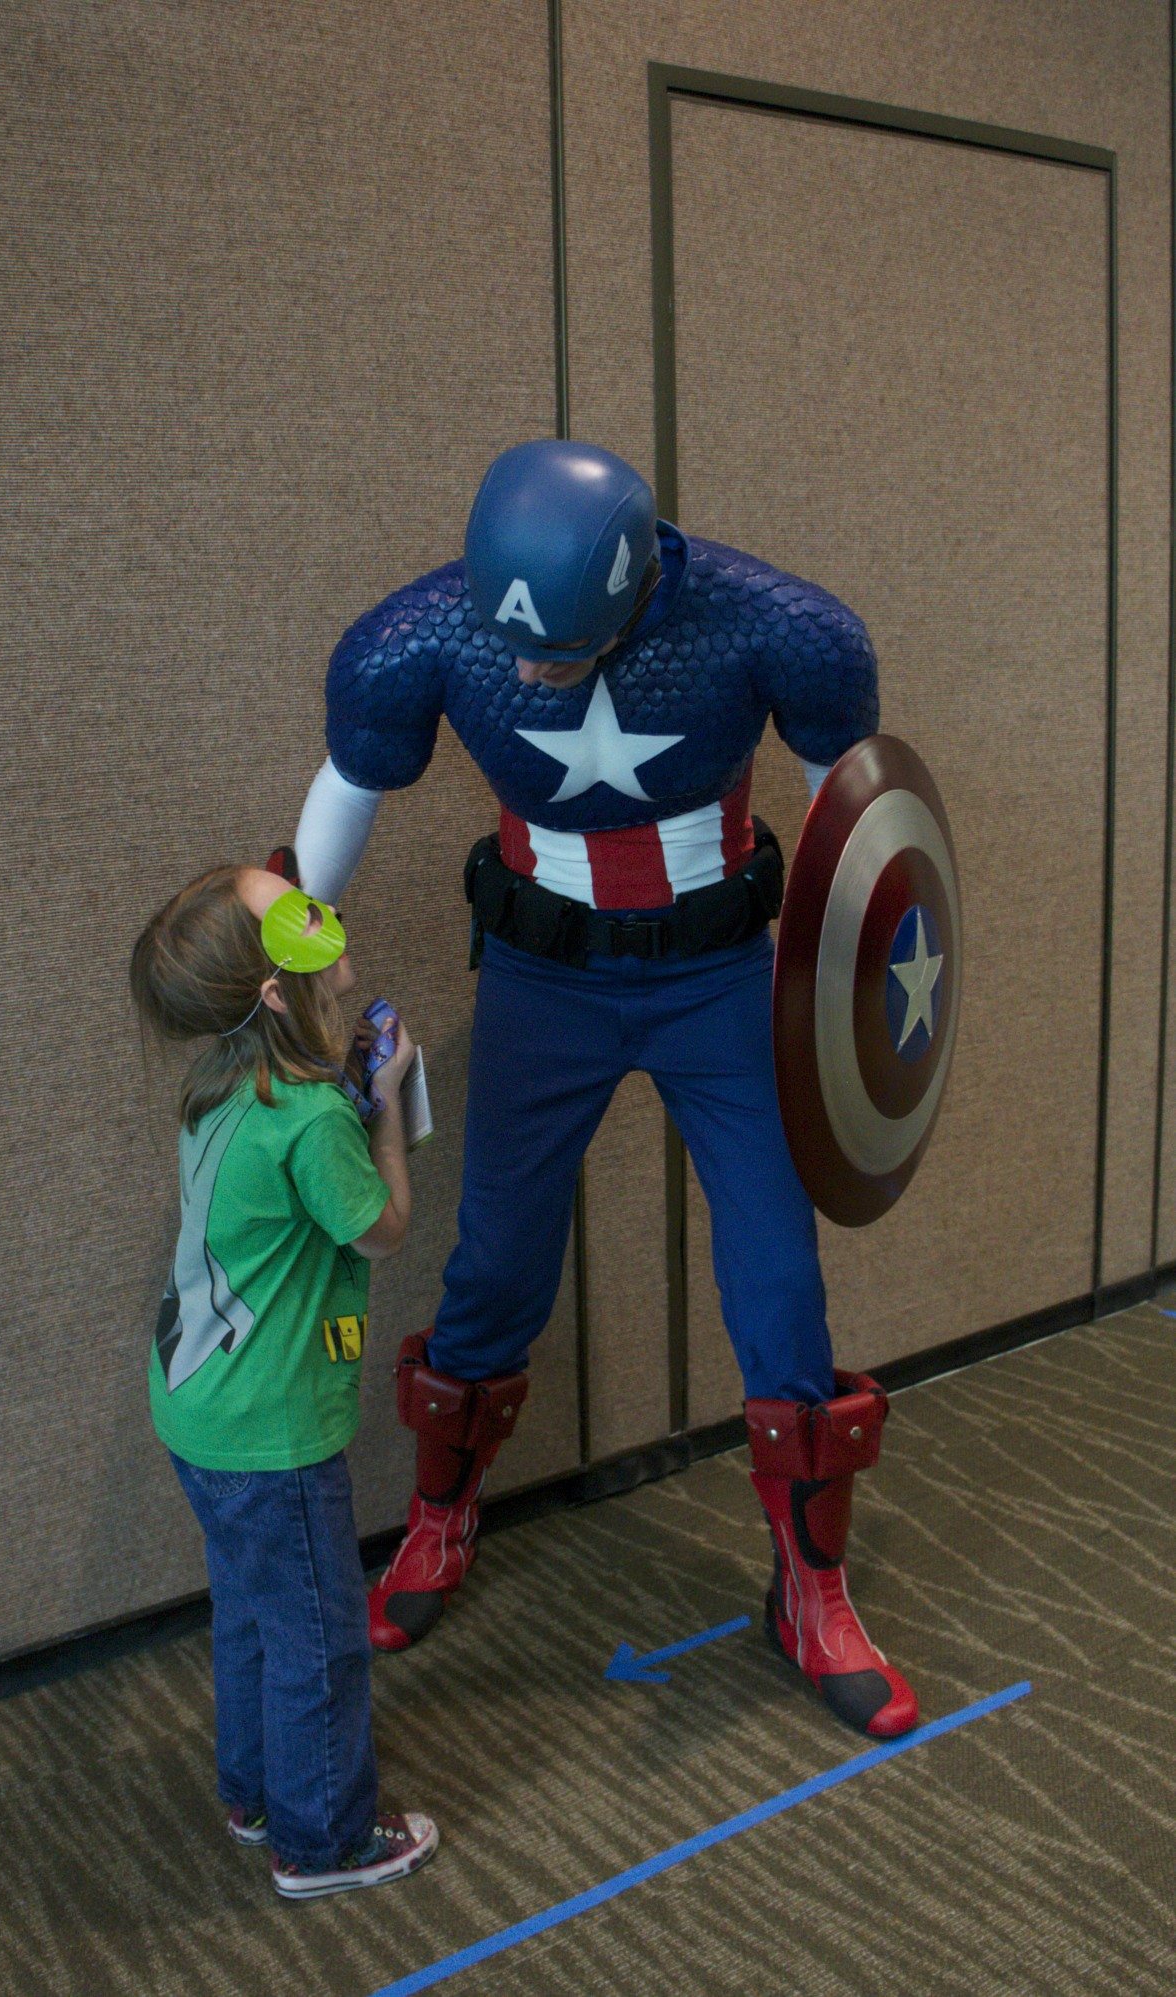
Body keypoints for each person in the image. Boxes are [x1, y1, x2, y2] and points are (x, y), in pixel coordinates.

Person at [291, 439, 919, 1740]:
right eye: (514, 646)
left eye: (559, 652)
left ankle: (811, 1589)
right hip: (542, 983)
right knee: (496, 1259)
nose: (526, 674)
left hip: (720, 983)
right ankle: (438, 1517)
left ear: (632, 594)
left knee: (777, 1272)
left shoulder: (771, 626)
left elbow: (856, 817)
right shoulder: (425, 637)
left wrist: (863, 985)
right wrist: (285, 963)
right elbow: (349, 787)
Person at [129, 859, 439, 1897]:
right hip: (272, 1431)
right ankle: (325, 1840)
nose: (325, 915)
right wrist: (381, 1107)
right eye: (301, 915)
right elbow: (382, 1229)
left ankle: (256, 1791)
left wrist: (340, 1084)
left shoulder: (219, 1085)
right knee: (321, 1637)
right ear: (273, 989)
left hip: (200, 1410)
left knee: (255, 1612)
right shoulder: (313, 1120)